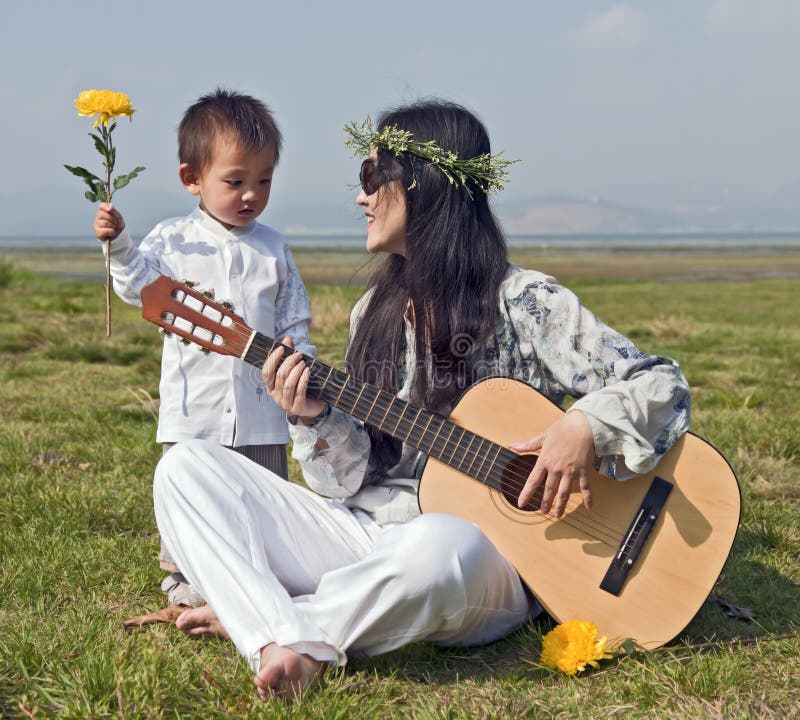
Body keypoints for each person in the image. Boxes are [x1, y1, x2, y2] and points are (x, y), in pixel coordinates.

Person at [152, 99, 691, 700]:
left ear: (423, 186)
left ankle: (282, 626)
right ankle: (282, 633)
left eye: (370, 177)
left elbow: (661, 384)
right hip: (372, 533)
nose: (361, 197)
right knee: (184, 469)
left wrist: (583, 429)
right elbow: (345, 484)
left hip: (489, 559)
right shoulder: (371, 314)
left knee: (442, 544)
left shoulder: (526, 301)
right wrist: (313, 417)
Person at [93, 89, 314, 608]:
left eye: (263, 181)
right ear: (192, 178)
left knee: (264, 496)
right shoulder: (174, 238)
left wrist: (295, 352)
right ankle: (185, 576)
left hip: (263, 410)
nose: (250, 195)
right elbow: (139, 286)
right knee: (192, 489)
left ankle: (260, 571)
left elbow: (293, 313)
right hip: (196, 409)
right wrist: (119, 244)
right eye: (234, 181)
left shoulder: (274, 246)